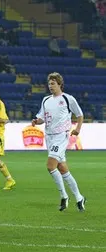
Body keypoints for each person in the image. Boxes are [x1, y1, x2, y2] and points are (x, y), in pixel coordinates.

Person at [32, 72, 86, 211]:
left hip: (61, 136)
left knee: (50, 166)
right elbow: (42, 117)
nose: (50, 86)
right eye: (49, 84)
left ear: (60, 84)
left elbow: (79, 115)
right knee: (62, 169)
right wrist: (36, 121)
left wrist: (77, 129)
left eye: (53, 83)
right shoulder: (46, 100)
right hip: (49, 136)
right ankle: (79, 197)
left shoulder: (68, 99)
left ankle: (64, 196)